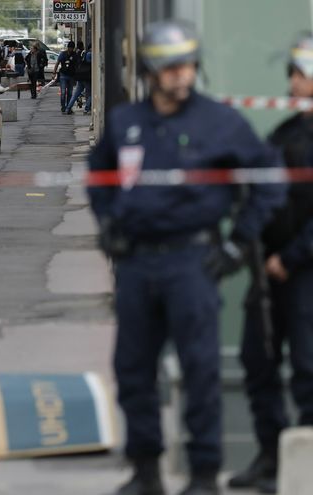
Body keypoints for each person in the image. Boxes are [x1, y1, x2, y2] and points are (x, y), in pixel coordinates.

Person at [87, 21, 285, 495]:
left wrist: (238, 243)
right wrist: (109, 223)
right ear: (151, 70)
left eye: (188, 64)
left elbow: (269, 181)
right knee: (133, 369)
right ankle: (146, 471)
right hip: (136, 264)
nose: (182, 74)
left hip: (192, 262)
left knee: (200, 369)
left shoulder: (220, 122)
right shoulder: (126, 122)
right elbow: (99, 174)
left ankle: (202, 474)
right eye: (172, 66)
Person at [227, 37, 313, 495]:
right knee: (257, 360)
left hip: (303, 272)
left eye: (300, 75)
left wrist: (291, 257)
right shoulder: (285, 132)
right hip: (269, 270)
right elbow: (261, 192)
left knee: (308, 368)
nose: (292, 83)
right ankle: (271, 458)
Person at [65, 42, 92, 115]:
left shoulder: (82, 53)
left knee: (76, 94)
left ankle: (68, 108)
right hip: (86, 77)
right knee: (90, 94)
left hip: (80, 76)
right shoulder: (90, 54)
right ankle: (87, 109)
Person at [53, 41, 78, 114]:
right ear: (68, 47)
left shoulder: (75, 55)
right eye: (70, 48)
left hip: (71, 76)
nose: (71, 49)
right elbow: (57, 63)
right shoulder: (63, 54)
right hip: (63, 75)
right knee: (63, 92)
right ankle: (63, 107)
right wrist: (54, 72)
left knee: (70, 93)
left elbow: (77, 65)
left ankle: (68, 107)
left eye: (72, 48)